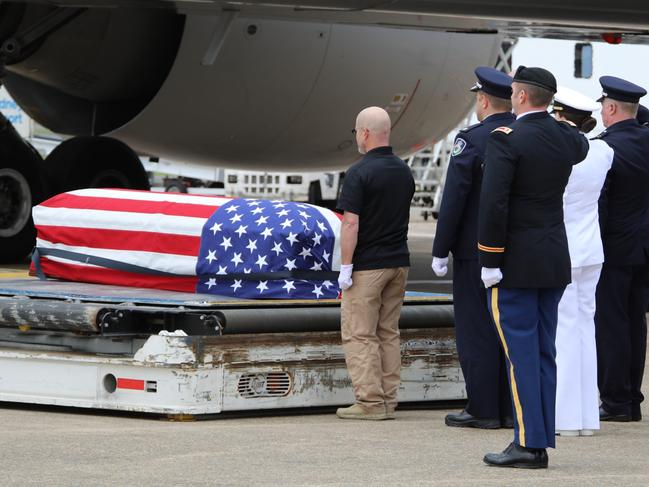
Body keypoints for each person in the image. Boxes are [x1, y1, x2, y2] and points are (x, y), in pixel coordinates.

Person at [478, 66, 588, 468]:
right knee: (543, 353)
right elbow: (581, 143)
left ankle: (528, 444)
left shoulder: (507, 140)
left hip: (515, 265)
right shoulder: (564, 137)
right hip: (553, 258)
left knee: (522, 354)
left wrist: (490, 259)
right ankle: (537, 437)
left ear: (520, 97)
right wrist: (557, 117)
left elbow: (494, 205)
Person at [432, 67, 514, 429]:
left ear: (482, 100)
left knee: (475, 329)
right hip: (516, 249)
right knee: (509, 329)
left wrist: (440, 248)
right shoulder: (523, 134)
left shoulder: (473, 139)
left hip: (473, 251)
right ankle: (511, 407)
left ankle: (483, 408)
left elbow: (455, 198)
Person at [335, 106, 415, 420]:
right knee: (388, 333)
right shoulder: (403, 170)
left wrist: (345, 266)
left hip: (368, 266)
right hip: (399, 262)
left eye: (357, 131)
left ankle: (369, 403)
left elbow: (351, 224)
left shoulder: (358, 172)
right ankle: (388, 399)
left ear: (365, 133)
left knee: (359, 333)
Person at [551, 87, 614, 437]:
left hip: (563, 249)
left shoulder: (561, 151)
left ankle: (565, 418)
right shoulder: (604, 150)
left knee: (563, 332)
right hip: (592, 250)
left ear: (561, 115)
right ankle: (587, 418)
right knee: (585, 331)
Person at [594, 76, 649, 423]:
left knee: (611, 324)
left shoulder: (605, 147)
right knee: (635, 323)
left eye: (602, 106)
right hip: (644, 248)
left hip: (613, 250)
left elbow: (599, 205)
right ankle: (632, 398)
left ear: (611, 108)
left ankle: (615, 401)